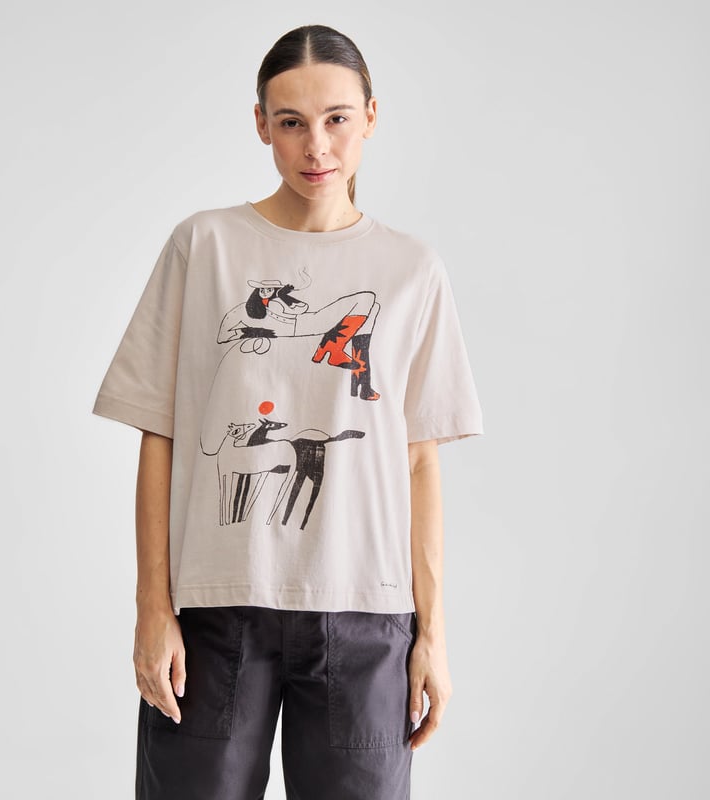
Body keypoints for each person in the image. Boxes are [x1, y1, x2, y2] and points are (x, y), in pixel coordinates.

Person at [92, 23, 484, 800]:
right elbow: (158, 433)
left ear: (371, 115)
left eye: (337, 118)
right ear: (261, 124)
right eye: (292, 122)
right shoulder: (205, 246)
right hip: (219, 607)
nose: (317, 146)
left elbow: (417, 462)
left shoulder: (411, 270)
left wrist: (432, 634)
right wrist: (151, 608)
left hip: (366, 615)